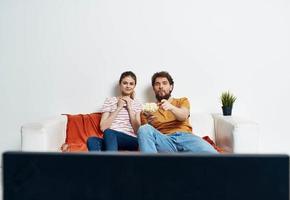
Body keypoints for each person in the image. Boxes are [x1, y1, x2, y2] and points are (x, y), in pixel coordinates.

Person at [138, 71, 218, 153]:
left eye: (164, 83)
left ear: (171, 87)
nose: (161, 86)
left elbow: (184, 115)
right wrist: (149, 124)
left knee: (213, 154)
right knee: (144, 129)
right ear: (154, 88)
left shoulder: (182, 101)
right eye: (157, 84)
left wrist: (171, 107)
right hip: (165, 141)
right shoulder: (147, 111)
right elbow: (145, 139)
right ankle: (150, 165)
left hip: (186, 138)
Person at [87, 71, 142, 151]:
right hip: (110, 138)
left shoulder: (137, 104)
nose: (128, 86)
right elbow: (103, 127)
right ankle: (100, 163)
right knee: (92, 140)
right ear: (120, 84)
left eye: (131, 84)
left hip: (131, 140)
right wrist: (118, 108)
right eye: (125, 83)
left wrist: (130, 108)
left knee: (109, 133)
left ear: (134, 86)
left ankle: (112, 162)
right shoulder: (110, 101)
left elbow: (138, 130)